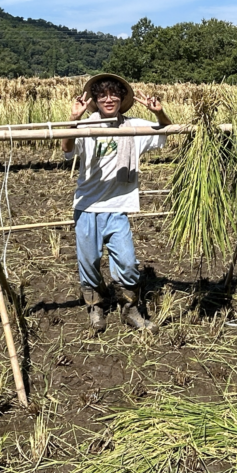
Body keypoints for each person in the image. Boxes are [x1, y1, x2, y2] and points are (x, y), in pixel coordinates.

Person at [60, 73, 172, 333]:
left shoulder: (133, 126)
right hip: (88, 206)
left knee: (128, 262)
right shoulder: (87, 125)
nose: (108, 99)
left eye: (113, 94)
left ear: (122, 99)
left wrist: (159, 113)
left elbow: (164, 132)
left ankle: (130, 310)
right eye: (102, 95)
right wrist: (72, 121)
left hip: (118, 206)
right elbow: (67, 150)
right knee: (88, 262)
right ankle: (96, 307)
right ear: (95, 100)